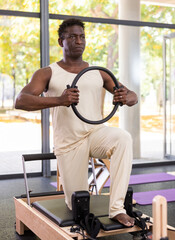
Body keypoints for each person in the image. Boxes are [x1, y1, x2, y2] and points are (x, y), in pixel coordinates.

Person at [15, 18, 138, 226]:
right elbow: (21, 100)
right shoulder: (47, 73)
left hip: (96, 134)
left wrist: (127, 97)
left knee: (123, 138)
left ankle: (117, 208)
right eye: (72, 36)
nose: (78, 40)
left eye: (81, 36)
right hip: (69, 142)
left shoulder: (98, 72)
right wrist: (59, 100)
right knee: (78, 205)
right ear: (60, 41)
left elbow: (132, 95)